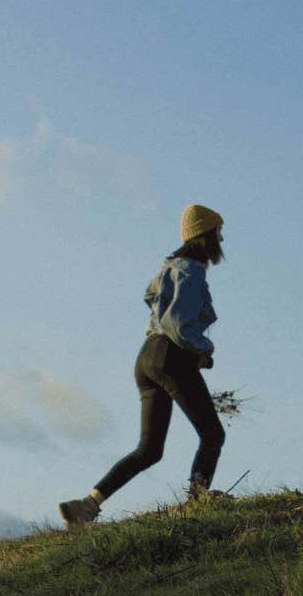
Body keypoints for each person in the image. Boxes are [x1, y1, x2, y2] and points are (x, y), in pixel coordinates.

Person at [60, 204, 227, 527]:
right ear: (206, 236)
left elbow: (150, 297)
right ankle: (197, 503)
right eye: (218, 232)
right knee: (213, 434)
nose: (222, 239)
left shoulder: (171, 266)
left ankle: (87, 505)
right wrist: (203, 349)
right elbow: (178, 322)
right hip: (171, 357)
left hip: (147, 357)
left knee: (149, 449)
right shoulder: (192, 269)